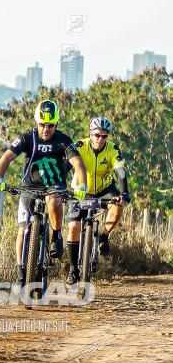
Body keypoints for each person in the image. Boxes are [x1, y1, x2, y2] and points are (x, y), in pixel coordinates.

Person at [0, 99, 88, 287]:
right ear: (37, 122)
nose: (46, 129)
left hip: (54, 185)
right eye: (43, 124)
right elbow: (7, 157)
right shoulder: (28, 137)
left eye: (50, 125)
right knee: (22, 229)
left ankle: (56, 236)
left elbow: (78, 163)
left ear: (56, 124)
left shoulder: (63, 140)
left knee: (54, 201)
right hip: (29, 186)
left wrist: (82, 185)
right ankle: (20, 271)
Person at [64, 116, 131, 284]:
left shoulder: (113, 149)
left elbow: (121, 172)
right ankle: (73, 269)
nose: (100, 139)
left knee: (117, 207)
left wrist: (124, 193)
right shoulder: (80, 145)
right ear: (90, 133)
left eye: (104, 136)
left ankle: (103, 236)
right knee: (73, 228)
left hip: (104, 190)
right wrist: (60, 188)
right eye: (97, 135)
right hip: (81, 190)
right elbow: (65, 167)